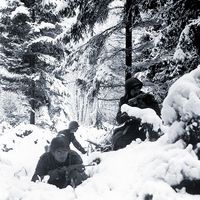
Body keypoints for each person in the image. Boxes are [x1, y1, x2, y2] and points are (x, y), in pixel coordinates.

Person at [112, 77, 160, 150]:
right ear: (129, 90)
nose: (137, 91)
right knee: (118, 140)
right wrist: (127, 113)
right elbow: (119, 119)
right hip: (132, 126)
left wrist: (142, 106)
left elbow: (157, 113)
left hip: (146, 125)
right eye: (134, 89)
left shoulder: (147, 98)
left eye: (138, 88)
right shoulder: (124, 100)